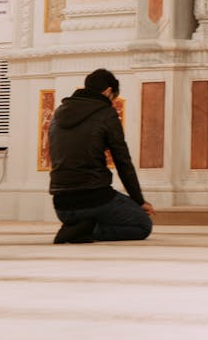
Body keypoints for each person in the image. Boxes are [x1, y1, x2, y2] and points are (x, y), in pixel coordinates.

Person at [48, 68, 154, 244]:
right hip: (94, 198)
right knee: (142, 225)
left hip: (62, 206)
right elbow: (123, 161)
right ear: (108, 91)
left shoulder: (59, 112)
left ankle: (78, 226)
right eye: (114, 98)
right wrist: (139, 200)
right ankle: (87, 229)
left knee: (103, 212)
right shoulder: (106, 113)